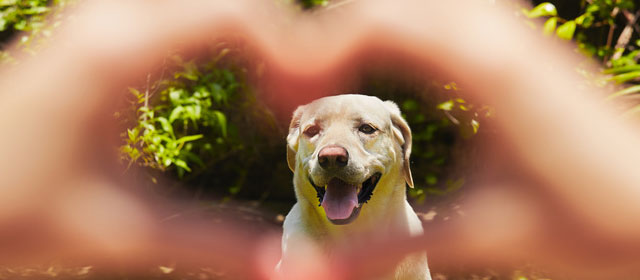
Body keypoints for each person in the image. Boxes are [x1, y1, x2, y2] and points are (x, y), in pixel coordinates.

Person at [1, 0, 639, 279]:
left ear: (401, 149)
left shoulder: (413, 237)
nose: (332, 150)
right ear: (293, 153)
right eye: (312, 134)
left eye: (364, 131)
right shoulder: (293, 235)